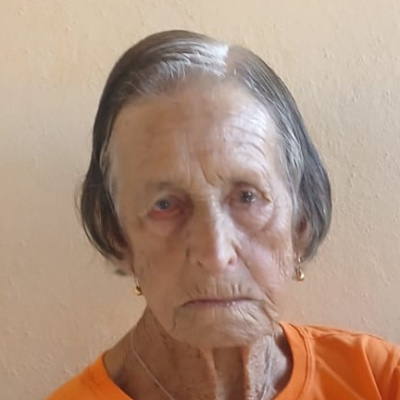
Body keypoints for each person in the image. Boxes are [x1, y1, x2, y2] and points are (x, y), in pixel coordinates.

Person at [46, 30, 400, 400]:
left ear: (301, 224)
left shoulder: (382, 382)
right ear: (118, 236)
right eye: (165, 205)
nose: (215, 255)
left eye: (247, 197)